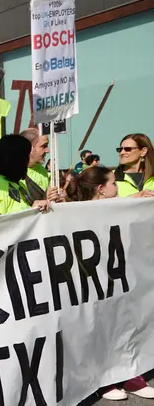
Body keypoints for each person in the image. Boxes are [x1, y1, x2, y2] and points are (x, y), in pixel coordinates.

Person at [65, 166, 154, 401]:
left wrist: (136, 200)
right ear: (101, 189)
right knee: (97, 328)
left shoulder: (115, 208)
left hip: (116, 277)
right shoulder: (73, 212)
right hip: (91, 281)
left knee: (122, 323)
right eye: (113, 183)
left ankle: (128, 374)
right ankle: (102, 380)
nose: (117, 187)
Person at [0, 135, 51, 220]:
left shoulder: (19, 185)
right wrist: (31, 212)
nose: (28, 160)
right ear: (16, 158)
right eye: (26, 156)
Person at [20, 128, 59, 202]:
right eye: (44, 146)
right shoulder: (13, 174)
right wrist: (45, 198)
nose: (48, 150)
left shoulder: (41, 169)